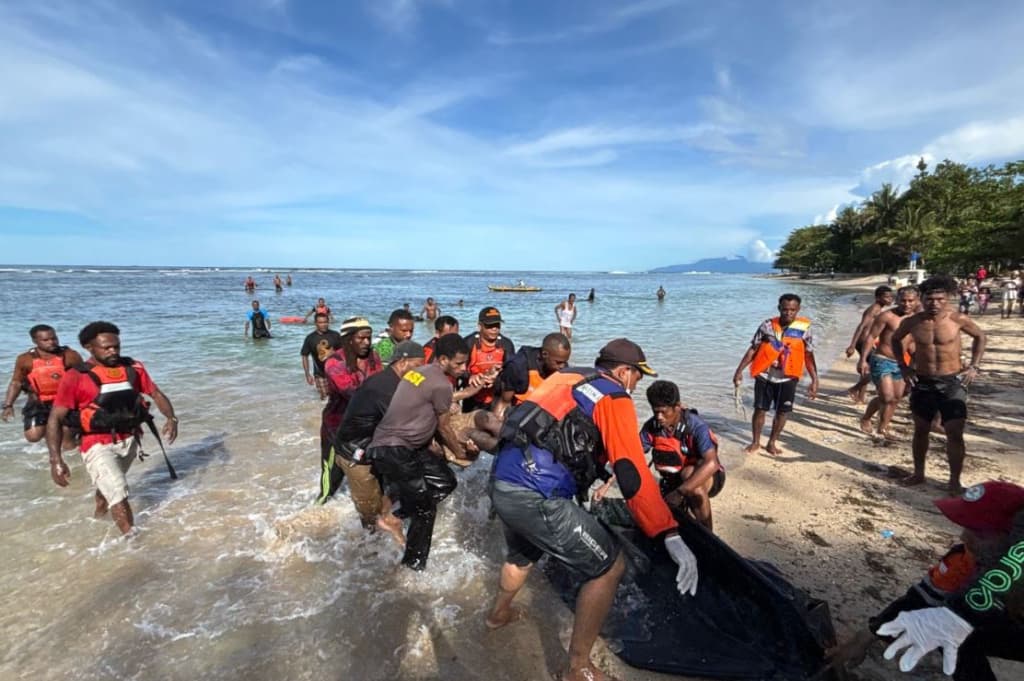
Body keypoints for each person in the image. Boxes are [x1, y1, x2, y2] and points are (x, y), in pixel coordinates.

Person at [486, 339, 699, 681]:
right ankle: (577, 667)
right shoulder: (614, 396)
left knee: (522, 554)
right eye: (637, 376)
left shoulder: (568, 377)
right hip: (536, 494)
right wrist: (667, 531)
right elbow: (632, 471)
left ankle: (497, 616)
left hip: (502, 481)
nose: (637, 384)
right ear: (623, 372)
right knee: (608, 567)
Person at [829, 481, 1024, 680]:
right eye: (967, 528)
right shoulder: (967, 558)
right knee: (952, 629)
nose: (964, 537)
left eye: (979, 533)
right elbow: (922, 599)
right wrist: (868, 634)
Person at [45, 321, 178, 534]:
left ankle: (98, 515)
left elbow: (155, 394)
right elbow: (55, 418)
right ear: (89, 347)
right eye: (106, 347)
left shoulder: (133, 368)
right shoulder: (76, 376)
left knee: (110, 488)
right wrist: (56, 460)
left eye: (116, 346)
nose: (113, 351)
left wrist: (171, 418)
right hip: (96, 443)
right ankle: (133, 543)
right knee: (119, 492)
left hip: (130, 440)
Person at [368, 334, 474, 570]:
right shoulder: (441, 384)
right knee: (426, 510)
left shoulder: (419, 372)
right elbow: (444, 426)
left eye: (465, 363)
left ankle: (394, 516)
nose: (463, 368)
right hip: (395, 449)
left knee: (446, 481)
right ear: (443, 359)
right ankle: (412, 567)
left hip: (408, 446)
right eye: (458, 363)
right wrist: (460, 453)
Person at [892, 275, 985, 492]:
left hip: (952, 381)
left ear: (948, 298)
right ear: (921, 299)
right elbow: (896, 340)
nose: (935, 303)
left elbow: (980, 337)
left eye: (940, 299)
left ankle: (954, 481)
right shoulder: (913, 322)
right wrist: (903, 366)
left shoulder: (957, 319)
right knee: (921, 430)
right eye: (930, 299)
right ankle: (919, 473)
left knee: (954, 432)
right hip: (923, 381)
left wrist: (974, 366)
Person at [330, 341, 425, 543]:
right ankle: (369, 555)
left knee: (387, 496)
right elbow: (405, 425)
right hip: (356, 454)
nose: (421, 372)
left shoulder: (402, 379)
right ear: (403, 362)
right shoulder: (385, 389)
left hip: (376, 447)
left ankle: (388, 526)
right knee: (370, 515)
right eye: (418, 366)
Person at [732, 293, 819, 455]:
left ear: (798, 310)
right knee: (760, 409)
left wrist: (815, 379)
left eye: (792, 310)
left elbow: (809, 355)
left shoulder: (805, 329)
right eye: (785, 309)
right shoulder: (767, 326)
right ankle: (756, 442)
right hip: (765, 376)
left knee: (782, 411)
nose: (788, 313)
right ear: (779, 308)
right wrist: (739, 371)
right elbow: (753, 349)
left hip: (788, 378)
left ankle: (772, 442)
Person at [637, 380, 724, 531]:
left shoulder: (696, 426)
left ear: (677, 407)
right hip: (672, 480)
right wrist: (608, 483)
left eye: (664, 412)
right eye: (655, 411)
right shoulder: (652, 427)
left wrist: (679, 493)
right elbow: (632, 455)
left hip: (707, 477)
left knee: (689, 475)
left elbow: (712, 463)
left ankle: (709, 534)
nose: (659, 417)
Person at [316, 317, 382, 505]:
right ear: (349, 339)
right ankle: (319, 507)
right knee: (331, 478)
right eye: (361, 338)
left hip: (366, 425)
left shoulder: (373, 358)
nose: (366, 343)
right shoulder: (334, 363)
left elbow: (379, 386)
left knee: (373, 473)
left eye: (369, 338)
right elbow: (354, 395)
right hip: (337, 428)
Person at [3, 325, 84, 444]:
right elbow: (16, 382)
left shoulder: (71, 355)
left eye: (54, 338)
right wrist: (8, 405)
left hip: (64, 401)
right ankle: (51, 433)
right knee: (33, 436)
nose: (52, 342)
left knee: (67, 441)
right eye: (45, 340)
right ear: (35, 341)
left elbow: (84, 378)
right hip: (39, 402)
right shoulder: (25, 359)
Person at [857, 286, 918, 441]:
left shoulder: (917, 320)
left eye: (911, 301)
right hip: (882, 359)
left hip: (902, 363)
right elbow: (871, 337)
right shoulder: (887, 316)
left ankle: (883, 426)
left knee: (895, 398)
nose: (907, 304)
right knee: (886, 396)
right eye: (903, 300)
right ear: (897, 300)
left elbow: (911, 343)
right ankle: (867, 419)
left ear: (917, 301)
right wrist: (863, 359)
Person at [493, 332, 571, 420]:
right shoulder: (518, 366)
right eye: (558, 362)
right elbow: (504, 402)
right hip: (516, 412)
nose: (563, 366)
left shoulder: (562, 368)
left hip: (540, 413)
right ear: (545, 354)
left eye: (565, 362)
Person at [845, 286, 894, 404]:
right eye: (886, 297)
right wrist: (852, 345)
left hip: (867, 342)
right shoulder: (874, 309)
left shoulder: (879, 309)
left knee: (867, 369)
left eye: (891, 297)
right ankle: (855, 390)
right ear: (878, 298)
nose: (890, 300)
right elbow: (861, 326)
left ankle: (860, 396)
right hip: (863, 342)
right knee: (873, 370)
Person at [462, 307, 515, 413]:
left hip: (496, 398)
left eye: (497, 325)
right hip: (472, 397)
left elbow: (512, 374)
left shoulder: (506, 345)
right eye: (490, 326)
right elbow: (456, 369)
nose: (494, 329)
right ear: (479, 326)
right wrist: (471, 377)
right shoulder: (468, 343)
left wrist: (497, 380)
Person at [300, 313, 343, 400]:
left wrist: (334, 353)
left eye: (325, 322)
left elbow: (343, 352)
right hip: (320, 374)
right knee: (325, 398)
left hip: (336, 372)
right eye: (320, 322)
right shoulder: (310, 338)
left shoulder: (335, 335)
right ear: (315, 323)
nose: (323, 325)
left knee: (339, 397)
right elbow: (304, 356)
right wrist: (307, 374)